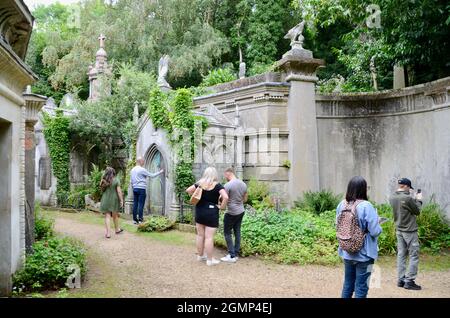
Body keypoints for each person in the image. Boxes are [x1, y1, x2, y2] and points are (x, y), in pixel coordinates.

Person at [336, 176, 382, 298]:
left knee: (348, 285)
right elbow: (375, 231)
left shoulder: (342, 204)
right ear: (363, 189)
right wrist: (377, 222)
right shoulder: (366, 206)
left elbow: (338, 225)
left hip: (346, 251)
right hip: (364, 254)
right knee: (361, 287)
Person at [186, 167, 228, 266]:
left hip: (200, 211)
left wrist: (197, 196)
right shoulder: (217, 186)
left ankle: (200, 256)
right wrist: (222, 207)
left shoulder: (200, 184)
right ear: (215, 175)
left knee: (200, 235)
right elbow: (226, 197)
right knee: (209, 237)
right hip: (211, 213)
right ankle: (210, 260)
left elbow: (188, 190)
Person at [389, 178, 423, 290]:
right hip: (410, 230)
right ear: (406, 186)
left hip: (399, 229)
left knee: (401, 254)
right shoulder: (408, 198)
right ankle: (409, 281)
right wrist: (418, 200)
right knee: (414, 255)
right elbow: (417, 211)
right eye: (409, 188)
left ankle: (401, 279)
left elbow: (405, 206)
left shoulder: (392, 196)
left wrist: (411, 197)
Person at [220, 168, 247, 263]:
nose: (225, 177)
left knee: (227, 232)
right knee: (237, 231)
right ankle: (235, 253)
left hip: (231, 212)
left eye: (225, 175)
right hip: (241, 211)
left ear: (228, 174)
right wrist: (238, 201)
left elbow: (224, 198)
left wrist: (221, 207)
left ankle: (231, 256)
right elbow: (245, 199)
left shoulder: (227, 185)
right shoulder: (243, 184)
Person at [130, 157, 164, 224]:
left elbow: (131, 181)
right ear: (140, 161)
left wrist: (133, 187)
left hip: (135, 188)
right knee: (141, 204)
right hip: (141, 189)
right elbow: (152, 175)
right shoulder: (142, 170)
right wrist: (160, 172)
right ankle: (140, 219)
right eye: (143, 161)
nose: (144, 162)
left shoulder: (132, 170)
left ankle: (134, 220)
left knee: (135, 204)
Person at [99, 167, 124, 238]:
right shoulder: (116, 180)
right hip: (114, 200)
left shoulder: (103, 181)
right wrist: (121, 200)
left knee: (107, 216)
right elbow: (119, 191)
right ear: (113, 173)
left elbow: (101, 190)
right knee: (115, 215)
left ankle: (108, 233)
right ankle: (117, 230)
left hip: (105, 199)